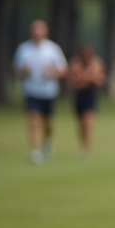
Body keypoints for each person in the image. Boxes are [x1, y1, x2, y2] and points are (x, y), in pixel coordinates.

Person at [12, 19, 68, 164]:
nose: (37, 34)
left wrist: (52, 71)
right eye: (35, 31)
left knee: (48, 123)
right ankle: (35, 151)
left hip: (48, 91)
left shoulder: (52, 49)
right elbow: (16, 69)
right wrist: (25, 70)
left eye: (40, 30)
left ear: (45, 32)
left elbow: (63, 70)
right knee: (33, 120)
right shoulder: (24, 49)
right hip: (31, 90)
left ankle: (47, 142)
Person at [67, 43, 106, 158]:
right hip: (79, 96)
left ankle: (87, 149)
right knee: (80, 124)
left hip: (91, 95)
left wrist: (89, 79)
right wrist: (85, 80)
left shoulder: (97, 63)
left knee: (88, 122)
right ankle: (82, 145)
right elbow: (72, 82)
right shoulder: (75, 64)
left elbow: (100, 80)